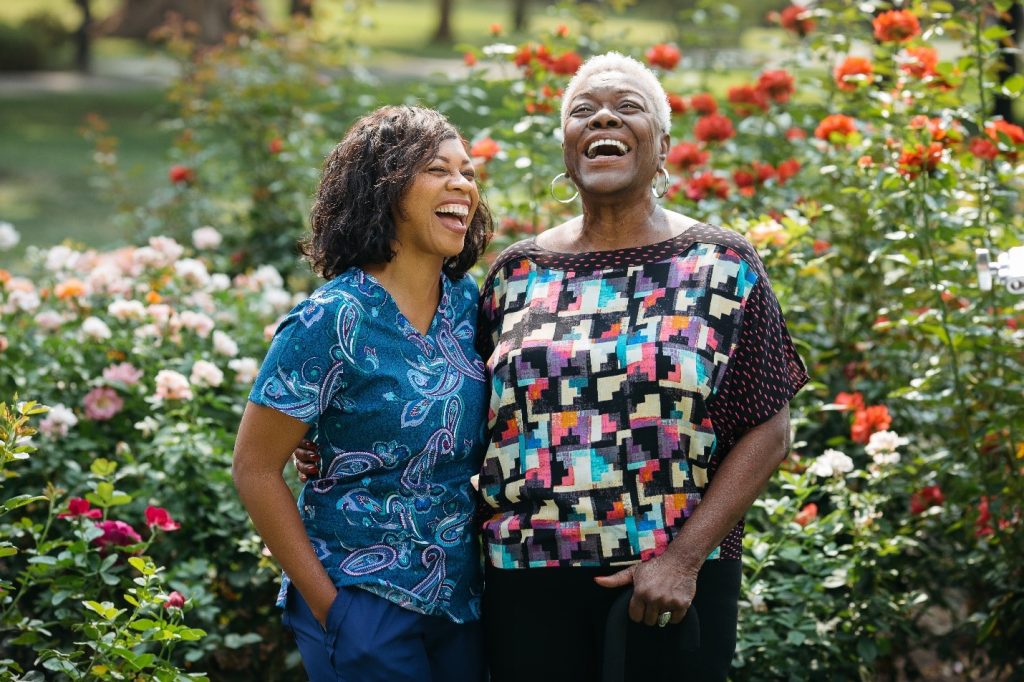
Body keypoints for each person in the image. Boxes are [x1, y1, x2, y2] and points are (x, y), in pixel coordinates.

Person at [296, 53, 807, 681]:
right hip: (525, 579)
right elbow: (457, 391)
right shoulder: (516, 274)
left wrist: (684, 560)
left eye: (628, 108)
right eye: (583, 111)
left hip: (667, 583)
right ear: (567, 146)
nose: (603, 119)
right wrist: (342, 442)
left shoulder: (721, 263)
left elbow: (769, 428)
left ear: (663, 144)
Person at [232, 105, 492, 682]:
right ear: (384, 189)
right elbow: (254, 467)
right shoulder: (329, 320)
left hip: (460, 601)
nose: (462, 185)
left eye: (468, 173)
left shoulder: (468, 304)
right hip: (360, 597)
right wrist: (333, 609)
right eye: (436, 169)